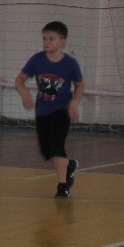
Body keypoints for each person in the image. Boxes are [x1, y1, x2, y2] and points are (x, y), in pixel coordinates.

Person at [14, 21, 85, 198]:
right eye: (44, 38)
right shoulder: (37, 60)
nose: (46, 42)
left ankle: (62, 186)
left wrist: (74, 103)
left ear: (62, 42)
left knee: (56, 145)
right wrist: (24, 92)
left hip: (62, 110)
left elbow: (79, 86)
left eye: (51, 39)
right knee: (46, 150)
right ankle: (68, 166)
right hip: (42, 110)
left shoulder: (70, 64)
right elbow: (19, 80)